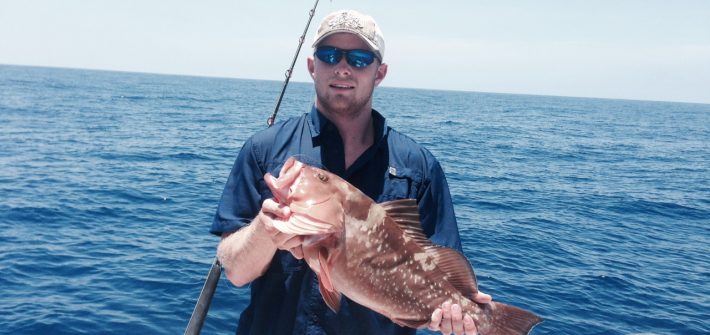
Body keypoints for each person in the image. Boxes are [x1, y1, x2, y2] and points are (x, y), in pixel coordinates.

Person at [211, 9, 491, 335]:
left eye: (359, 58)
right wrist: (265, 229)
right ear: (312, 66)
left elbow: (446, 267)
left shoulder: (419, 168)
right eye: (330, 55)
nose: (342, 67)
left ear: (380, 72)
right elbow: (233, 268)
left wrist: (459, 313)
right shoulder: (263, 150)